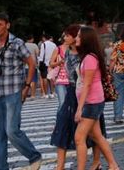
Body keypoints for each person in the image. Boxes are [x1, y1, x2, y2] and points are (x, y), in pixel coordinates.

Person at [0, 13, 43, 170]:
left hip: (13, 92)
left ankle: (34, 156)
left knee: (12, 131)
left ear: (7, 25)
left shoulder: (17, 43)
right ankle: (1, 167)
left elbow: (31, 64)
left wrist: (26, 87)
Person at [74, 26, 120, 170]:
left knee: (79, 137)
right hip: (92, 102)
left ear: (86, 39)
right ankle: (113, 165)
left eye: (79, 36)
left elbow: (87, 85)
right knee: (97, 136)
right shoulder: (90, 57)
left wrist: (79, 109)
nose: (76, 38)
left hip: (91, 103)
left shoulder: (89, 59)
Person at [49, 24, 82, 170]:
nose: (64, 37)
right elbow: (51, 63)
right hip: (67, 87)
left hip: (82, 94)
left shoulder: (85, 54)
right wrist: (59, 62)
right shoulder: (65, 51)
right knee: (62, 121)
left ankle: (101, 162)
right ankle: (59, 166)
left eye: (68, 35)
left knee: (93, 134)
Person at [37, 34, 57, 99]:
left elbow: (41, 55)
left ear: (44, 38)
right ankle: (53, 92)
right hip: (52, 63)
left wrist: (39, 62)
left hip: (45, 63)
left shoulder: (44, 44)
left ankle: (46, 94)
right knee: (51, 78)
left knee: (44, 78)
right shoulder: (54, 45)